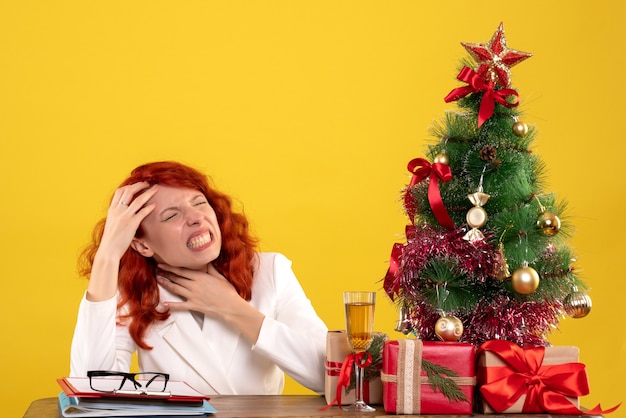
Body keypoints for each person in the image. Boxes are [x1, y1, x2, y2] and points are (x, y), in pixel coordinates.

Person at [70, 161, 328, 395]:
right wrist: (108, 256)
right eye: (171, 215)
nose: (196, 218)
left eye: (199, 202)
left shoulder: (270, 271)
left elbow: (331, 376)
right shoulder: (134, 291)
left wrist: (232, 308)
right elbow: (94, 390)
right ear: (143, 245)